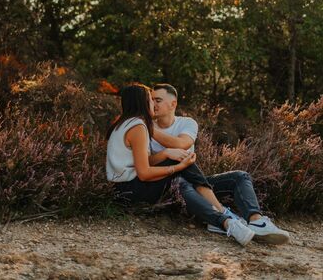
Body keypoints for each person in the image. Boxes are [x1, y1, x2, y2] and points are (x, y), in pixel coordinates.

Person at [106, 83, 257, 246]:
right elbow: (144, 173)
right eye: (151, 100)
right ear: (142, 102)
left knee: (181, 171)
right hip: (131, 190)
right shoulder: (138, 127)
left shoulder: (125, 124)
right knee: (181, 173)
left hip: (122, 190)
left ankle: (223, 218)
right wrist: (178, 167)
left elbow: (141, 162)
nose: (154, 104)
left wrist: (166, 153)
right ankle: (224, 218)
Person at [151, 83, 290, 245]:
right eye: (151, 100)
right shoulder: (144, 129)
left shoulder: (187, 123)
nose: (153, 104)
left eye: (158, 100)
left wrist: (151, 130)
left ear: (173, 104)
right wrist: (161, 147)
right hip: (171, 186)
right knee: (182, 181)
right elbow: (146, 162)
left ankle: (256, 221)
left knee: (240, 176)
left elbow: (182, 144)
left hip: (197, 183)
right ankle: (221, 216)